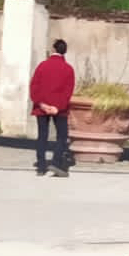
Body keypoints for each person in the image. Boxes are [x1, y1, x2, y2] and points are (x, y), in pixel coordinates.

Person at [31, 39, 75, 177]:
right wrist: (57, 107)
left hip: (41, 106)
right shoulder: (68, 69)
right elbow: (68, 91)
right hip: (59, 108)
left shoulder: (42, 66)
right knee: (62, 136)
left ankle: (41, 166)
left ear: (53, 49)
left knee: (42, 136)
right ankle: (56, 162)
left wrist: (42, 104)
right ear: (65, 51)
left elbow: (34, 86)